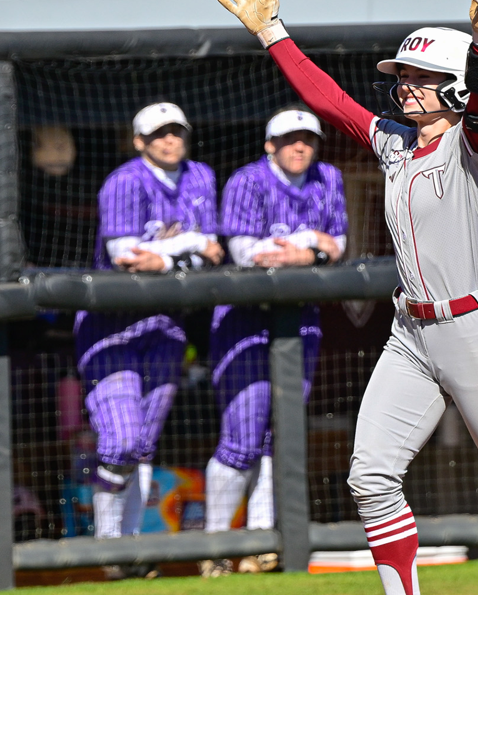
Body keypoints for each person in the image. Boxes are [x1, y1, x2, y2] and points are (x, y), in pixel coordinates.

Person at [216, 0, 478, 594]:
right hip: (411, 334)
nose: (407, 87)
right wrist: (272, 32)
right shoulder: (396, 142)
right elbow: (331, 103)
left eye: (423, 78)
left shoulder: (473, 142)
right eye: (404, 77)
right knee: (370, 475)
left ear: (456, 88)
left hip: (474, 329)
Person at [203, 107, 347, 572]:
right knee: (242, 437)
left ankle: (262, 547)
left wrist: (306, 249)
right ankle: (215, 548)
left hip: (299, 321)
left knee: (277, 436)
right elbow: (245, 251)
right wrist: (310, 248)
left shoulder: (328, 177)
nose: (299, 147)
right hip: (244, 322)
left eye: (307, 139)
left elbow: (340, 243)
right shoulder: (247, 179)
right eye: (289, 140)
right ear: (271, 145)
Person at [76, 102, 222, 541]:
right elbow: (127, 257)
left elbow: (213, 250)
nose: (170, 139)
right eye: (159, 134)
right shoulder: (124, 181)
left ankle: (131, 547)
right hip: (112, 328)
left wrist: (169, 252)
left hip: (166, 328)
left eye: (176, 131)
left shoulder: (200, 176)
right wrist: (189, 247)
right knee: (120, 441)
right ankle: (106, 544)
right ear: (139, 141)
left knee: (140, 447)